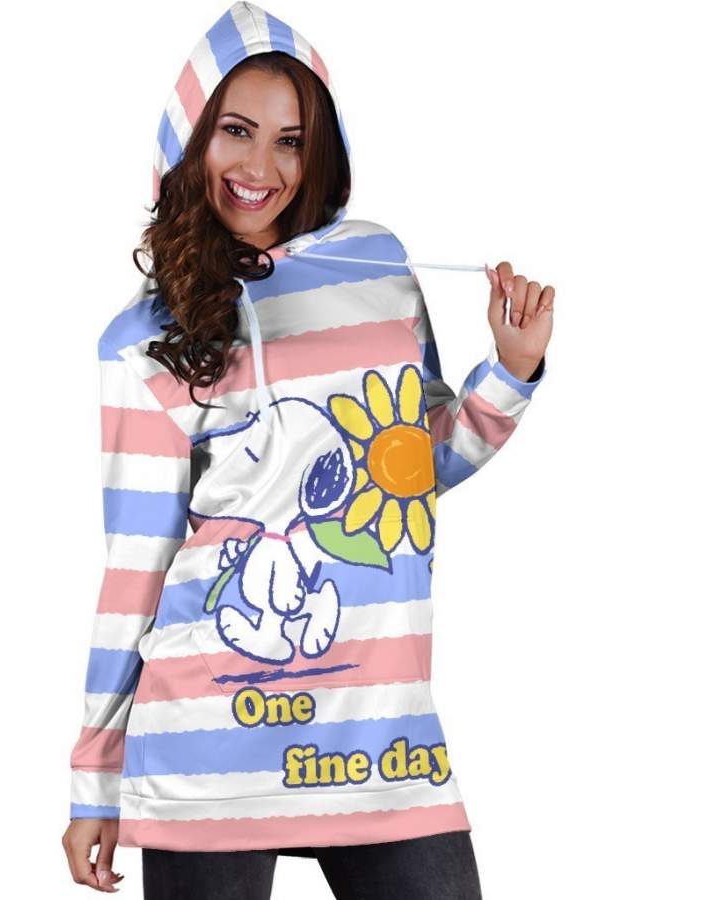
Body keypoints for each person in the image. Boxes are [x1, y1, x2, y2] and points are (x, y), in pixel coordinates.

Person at [62, 2, 554, 897]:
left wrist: (511, 371)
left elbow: (414, 471)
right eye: (235, 132)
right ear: (189, 138)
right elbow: (136, 566)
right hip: (208, 755)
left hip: (381, 740)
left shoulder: (375, 266)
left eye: (289, 141)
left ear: (318, 150)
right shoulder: (140, 340)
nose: (261, 168)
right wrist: (94, 776)